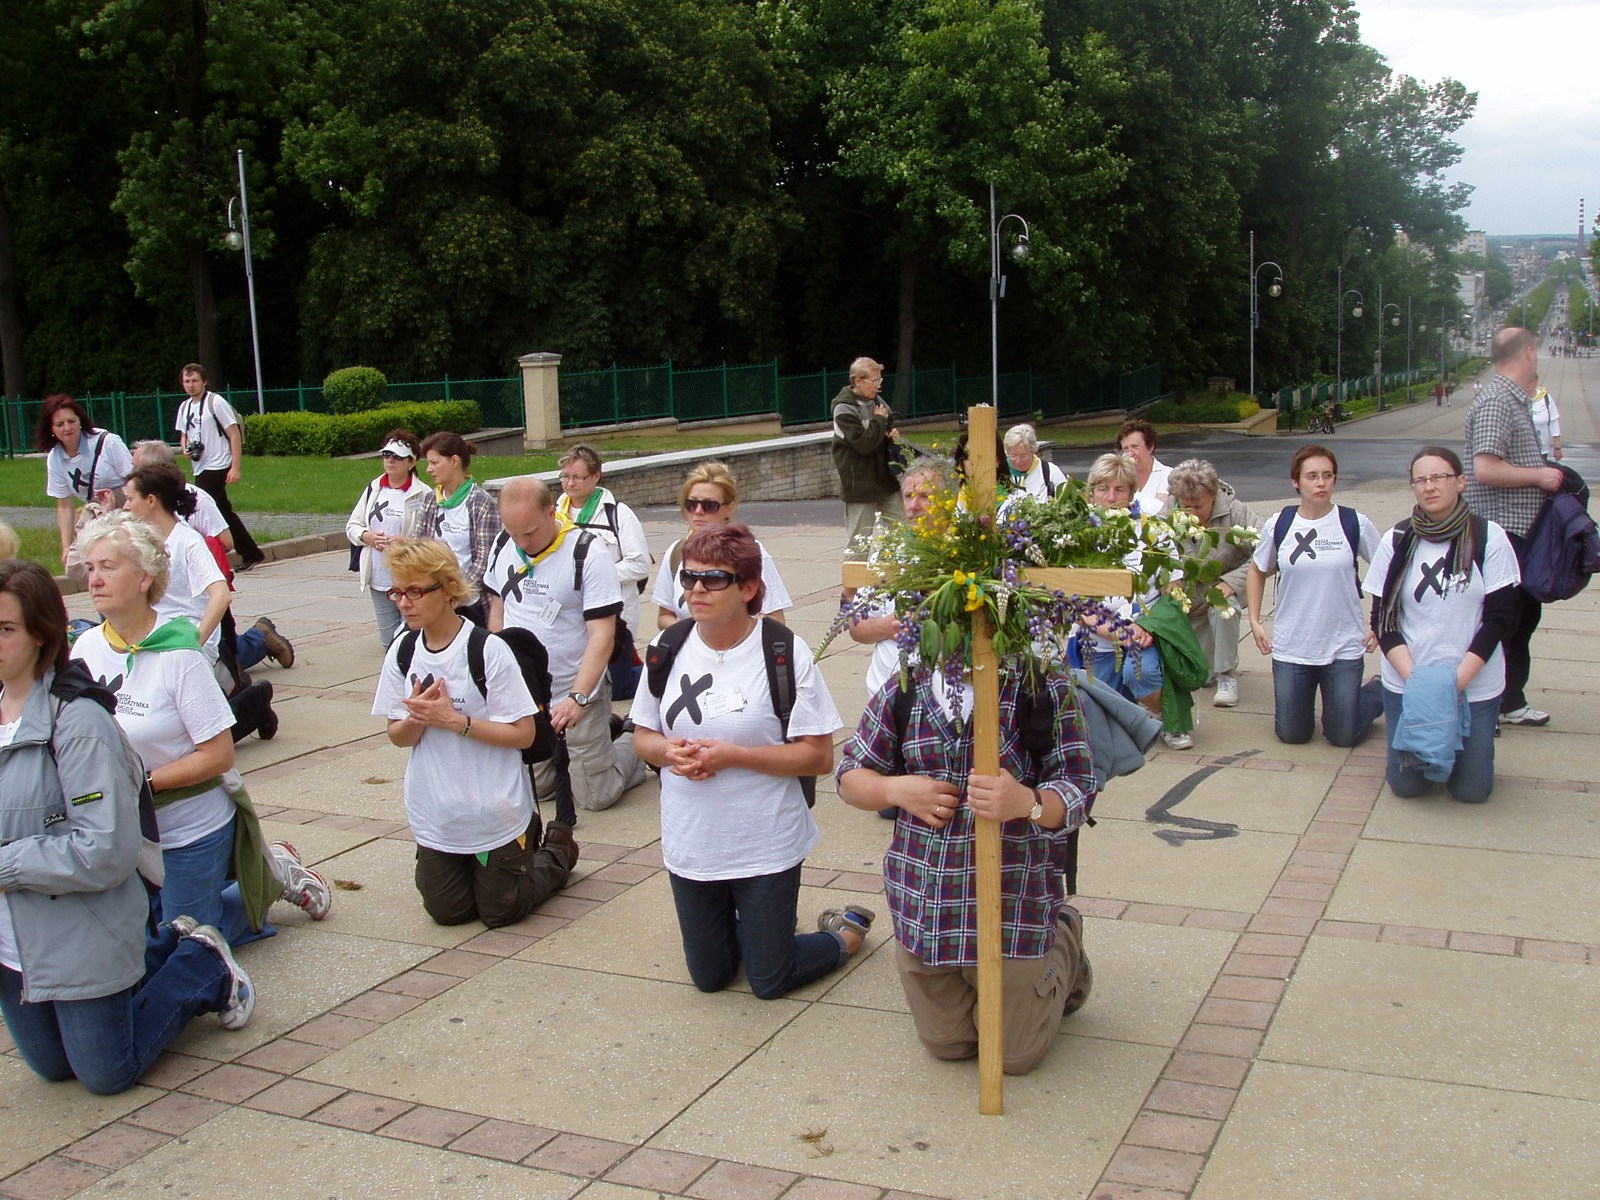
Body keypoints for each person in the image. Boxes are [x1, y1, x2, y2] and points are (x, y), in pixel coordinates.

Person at [0, 560, 257, 1093]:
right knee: (53, 1067)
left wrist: (7, 864)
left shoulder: (78, 724)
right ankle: (168, 942)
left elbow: (105, 850)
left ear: (41, 634)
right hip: (13, 936)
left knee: (106, 1072)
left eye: (5, 629)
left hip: (79, 927)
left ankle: (203, 963)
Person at [632, 523, 868, 999]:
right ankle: (759, 931)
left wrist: (735, 756)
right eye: (688, 577)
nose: (697, 589)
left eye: (714, 578)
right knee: (710, 978)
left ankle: (843, 935)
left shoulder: (781, 651)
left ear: (748, 587)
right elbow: (643, 736)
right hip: (693, 839)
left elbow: (819, 756)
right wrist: (668, 752)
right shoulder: (668, 647)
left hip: (764, 840)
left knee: (769, 981)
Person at [72, 513, 328, 940]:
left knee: (182, 943)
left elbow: (219, 755)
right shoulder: (85, 647)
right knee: (127, 943)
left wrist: (143, 784)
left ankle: (269, 879)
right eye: (90, 567)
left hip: (187, 828)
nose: (94, 579)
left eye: (108, 567)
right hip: (122, 827)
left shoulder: (180, 655)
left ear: (144, 578)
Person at [836, 655, 1094, 1074]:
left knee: (1014, 1057)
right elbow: (850, 777)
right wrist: (895, 790)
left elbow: (1079, 789)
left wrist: (1026, 802)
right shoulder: (907, 686)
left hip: (1013, 909)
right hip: (927, 911)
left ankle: (1063, 938)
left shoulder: (1042, 685)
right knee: (948, 1044)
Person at [372, 537, 578, 927]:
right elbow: (396, 735)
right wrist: (418, 718)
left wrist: (455, 721)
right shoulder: (403, 650)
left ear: (449, 590)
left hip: (494, 808)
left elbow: (524, 735)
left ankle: (555, 851)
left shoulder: (487, 650)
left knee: (501, 911)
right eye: (396, 592)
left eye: (414, 591)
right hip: (438, 811)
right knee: (448, 912)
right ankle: (479, 867)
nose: (403, 602)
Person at [1365, 447, 1520, 803]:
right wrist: (1420, 686)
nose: (1429, 487)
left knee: (1471, 792)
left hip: (1472, 682)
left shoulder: (1490, 537)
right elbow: (1382, 621)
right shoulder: (1397, 539)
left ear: (1461, 482)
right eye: (1420, 480)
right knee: (1408, 788)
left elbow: (1499, 620)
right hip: (1409, 681)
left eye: (1438, 477)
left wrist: (1453, 685)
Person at [487, 478, 648, 814]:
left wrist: (578, 697)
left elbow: (602, 635)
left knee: (596, 796)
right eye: (514, 533)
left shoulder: (587, 553)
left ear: (551, 512)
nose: (522, 542)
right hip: (529, 693)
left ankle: (634, 737)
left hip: (576, 688)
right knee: (536, 787)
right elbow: (497, 611)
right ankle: (593, 743)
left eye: (530, 532)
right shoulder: (504, 544)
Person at [122, 466, 279, 742]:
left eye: (129, 499)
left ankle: (255, 703)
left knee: (197, 737)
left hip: (185, 638)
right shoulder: (140, 542)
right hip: (153, 637)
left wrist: (192, 643)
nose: (125, 506)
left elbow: (221, 596)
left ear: (151, 500)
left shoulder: (188, 542)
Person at [1246, 445, 1384, 746]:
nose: (1321, 483)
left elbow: (1387, 570)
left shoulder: (1354, 523)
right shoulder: (1279, 524)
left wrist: (1379, 621)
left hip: (1342, 645)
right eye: (1312, 476)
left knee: (1343, 735)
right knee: (1292, 734)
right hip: (1293, 646)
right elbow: (1257, 571)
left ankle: (1376, 692)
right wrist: (1255, 622)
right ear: (1296, 481)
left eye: (1327, 475)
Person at [1464, 328, 1564, 728]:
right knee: (1506, 620)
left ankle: (1507, 699)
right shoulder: (1497, 401)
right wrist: (1540, 476)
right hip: (1502, 532)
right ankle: (1493, 703)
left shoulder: (1510, 399)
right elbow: (1485, 468)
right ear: (1529, 352)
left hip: (1516, 531)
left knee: (1521, 619)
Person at [133, 440, 293, 676]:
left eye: (136, 468)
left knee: (228, 655)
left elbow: (226, 542)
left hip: (201, 591)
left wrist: (194, 554)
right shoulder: (140, 525)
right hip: (170, 621)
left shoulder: (195, 507)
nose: (130, 474)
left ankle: (260, 637)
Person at [1075, 454, 1179, 741]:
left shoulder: (1152, 532)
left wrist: (1149, 626)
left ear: (1132, 494)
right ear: (1091, 493)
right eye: (1103, 489)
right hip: (1097, 638)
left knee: (1141, 675)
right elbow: (1075, 605)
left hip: (1143, 633)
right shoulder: (1077, 536)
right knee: (1102, 722)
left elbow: (1174, 586)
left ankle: (1167, 714)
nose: (1111, 497)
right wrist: (1117, 632)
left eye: (1120, 489)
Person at [1165, 459, 1263, 708]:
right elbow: (1152, 552)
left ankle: (1226, 675)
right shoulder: (1166, 514)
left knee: (1224, 607)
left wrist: (1233, 582)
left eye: (1199, 506)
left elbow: (1268, 551)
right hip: (1185, 601)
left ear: (1213, 496)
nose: (1192, 513)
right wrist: (1169, 578)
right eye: (1185, 507)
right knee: (1198, 676)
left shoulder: (1236, 512)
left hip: (1217, 594)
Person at [555, 444, 651, 697]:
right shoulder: (555, 513)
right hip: (569, 608)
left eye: (578, 477)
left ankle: (656, 674)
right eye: (565, 476)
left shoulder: (617, 514)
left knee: (617, 686)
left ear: (596, 476)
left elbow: (640, 564)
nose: (570, 483)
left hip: (613, 611)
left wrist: (596, 577)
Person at [651, 461, 792, 629]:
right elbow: (664, 616)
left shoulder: (749, 552)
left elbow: (775, 618)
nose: (698, 511)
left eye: (710, 505)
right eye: (691, 504)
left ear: (729, 508)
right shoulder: (676, 552)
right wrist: (693, 636)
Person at [346, 430, 431, 647]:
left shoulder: (424, 494)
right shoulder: (374, 488)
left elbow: (431, 539)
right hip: (379, 576)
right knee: (388, 641)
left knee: (413, 636)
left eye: (397, 457)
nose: (390, 461)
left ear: (412, 462)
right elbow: (352, 526)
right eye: (386, 455)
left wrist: (407, 543)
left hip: (409, 576)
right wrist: (367, 537)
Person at [174, 363, 263, 569]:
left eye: (195, 381)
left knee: (196, 507)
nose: (191, 385)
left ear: (204, 382)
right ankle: (251, 553)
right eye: (187, 381)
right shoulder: (185, 407)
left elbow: (234, 434)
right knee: (222, 511)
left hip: (218, 464)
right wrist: (185, 448)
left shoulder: (216, 402)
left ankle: (203, 553)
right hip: (200, 465)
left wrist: (235, 467)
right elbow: (184, 434)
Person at [38, 394, 133, 579]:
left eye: (71, 421)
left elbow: (135, 479)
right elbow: (65, 505)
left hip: (124, 507)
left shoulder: (107, 442)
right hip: (95, 513)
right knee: (84, 565)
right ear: (51, 429)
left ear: (80, 420)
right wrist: (66, 547)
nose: (67, 428)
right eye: (60, 424)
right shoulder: (55, 458)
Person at [416, 432, 500, 626]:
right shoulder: (430, 500)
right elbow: (419, 546)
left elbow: (485, 560)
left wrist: (455, 592)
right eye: (428, 463)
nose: (429, 469)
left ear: (454, 461)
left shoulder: (482, 502)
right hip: (436, 597)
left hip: (471, 603)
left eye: (434, 463)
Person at [832, 356, 906, 547]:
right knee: (860, 542)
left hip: (885, 480)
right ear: (858, 381)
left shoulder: (879, 403)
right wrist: (879, 421)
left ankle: (892, 565)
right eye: (874, 381)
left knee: (902, 532)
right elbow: (863, 444)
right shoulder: (843, 409)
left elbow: (882, 433)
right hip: (860, 485)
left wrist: (891, 435)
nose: (878, 386)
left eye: (880, 380)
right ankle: (856, 568)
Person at [1117, 418, 1170, 516]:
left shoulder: (1168, 475)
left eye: (1135, 447)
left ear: (1151, 447)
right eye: (1126, 449)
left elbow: (1160, 511)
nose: (1130, 453)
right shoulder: (1117, 477)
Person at [1003, 424, 1067, 500]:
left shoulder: (1051, 472)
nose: (1018, 461)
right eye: (1013, 456)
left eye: (1023, 456)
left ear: (1033, 451)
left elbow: (1066, 502)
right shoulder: (999, 473)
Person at [1529, 382, 1562, 460]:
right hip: (1519, 451)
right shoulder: (1513, 397)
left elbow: (1554, 421)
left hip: (1542, 450)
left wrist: (1557, 448)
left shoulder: (1545, 397)